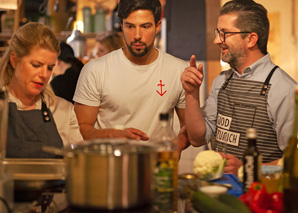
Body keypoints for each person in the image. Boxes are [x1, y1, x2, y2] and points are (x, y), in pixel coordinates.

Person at [181, 0, 297, 175]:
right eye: (217, 33)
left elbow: (293, 161)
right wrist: (191, 94)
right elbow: (197, 138)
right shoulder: (222, 81)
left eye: (224, 33)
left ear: (251, 39)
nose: (216, 41)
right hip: (219, 193)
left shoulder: (284, 89)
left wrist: (245, 169)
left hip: (258, 198)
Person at [73, 0, 189, 152]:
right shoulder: (95, 70)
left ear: (158, 26)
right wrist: (115, 135)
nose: (137, 35)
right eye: (130, 26)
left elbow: (189, 129)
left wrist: (174, 147)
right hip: (110, 167)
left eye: (145, 26)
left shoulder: (178, 69)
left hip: (159, 169)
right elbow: (82, 129)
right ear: (121, 26)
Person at [0, 22, 83, 158]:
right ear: (14, 60)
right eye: (36, 65)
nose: (44, 74)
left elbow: (78, 164)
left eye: (50, 67)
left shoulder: (63, 110)